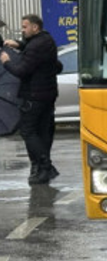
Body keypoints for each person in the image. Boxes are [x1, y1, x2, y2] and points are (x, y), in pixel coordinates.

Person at [0, 14, 62, 185]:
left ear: (35, 27)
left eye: (25, 27)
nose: (22, 30)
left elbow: (21, 71)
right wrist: (19, 44)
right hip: (47, 95)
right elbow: (54, 64)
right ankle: (40, 169)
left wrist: (6, 62)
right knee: (42, 132)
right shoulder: (46, 40)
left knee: (27, 131)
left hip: (34, 96)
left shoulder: (36, 45)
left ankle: (45, 166)